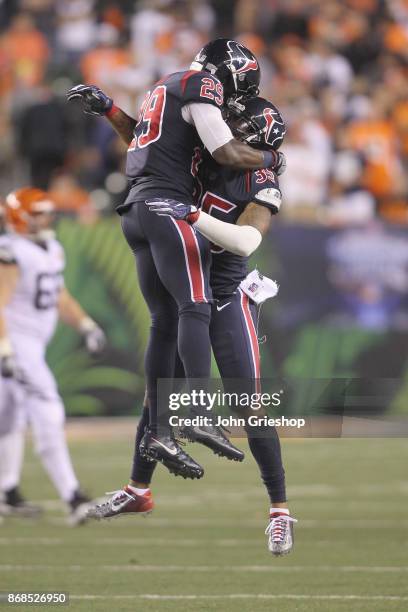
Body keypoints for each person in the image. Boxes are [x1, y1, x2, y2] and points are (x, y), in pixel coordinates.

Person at [67, 38, 286, 480]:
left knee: (165, 323)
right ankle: (194, 416)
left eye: (242, 121)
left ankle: (157, 442)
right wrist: (273, 156)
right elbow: (225, 151)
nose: (231, 119)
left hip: (140, 210)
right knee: (191, 308)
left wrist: (111, 109)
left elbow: (150, 139)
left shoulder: (174, 91)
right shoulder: (202, 93)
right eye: (232, 112)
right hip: (162, 207)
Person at [88, 98, 297, 556]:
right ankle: (138, 490)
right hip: (189, 289)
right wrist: (112, 111)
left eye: (238, 128)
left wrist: (192, 215)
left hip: (225, 293)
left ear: (260, 142)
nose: (226, 132)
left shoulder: (262, 180)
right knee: (158, 392)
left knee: (247, 405)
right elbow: (148, 147)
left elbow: (246, 240)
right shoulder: (203, 152)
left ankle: (280, 511)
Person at [0, 188, 106, 524]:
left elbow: (59, 295)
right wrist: (5, 349)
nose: (47, 219)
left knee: (10, 417)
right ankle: (73, 496)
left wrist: (86, 324)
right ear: (20, 217)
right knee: (48, 408)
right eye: (39, 213)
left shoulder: (51, 249)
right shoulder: (11, 251)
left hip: (31, 343)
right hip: (16, 343)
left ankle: (7, 491)